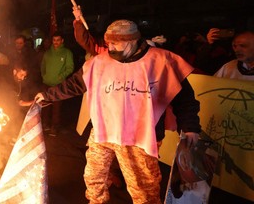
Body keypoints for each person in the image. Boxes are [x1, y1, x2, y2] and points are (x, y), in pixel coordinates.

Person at [35, 19, 202, 203]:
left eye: (115, 43)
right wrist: (47, 96)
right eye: (108, 43)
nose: (110, 47)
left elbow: (185, 100)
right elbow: (74, 84)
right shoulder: (100, 62)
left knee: (143, 187)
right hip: (103, 132)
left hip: (139, 139)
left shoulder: (162, 61)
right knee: (93, 177)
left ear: (132, 41)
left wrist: (190, 128)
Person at [40, 32, 74, 136]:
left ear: (62, 40)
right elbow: (43, 66)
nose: (56, 42)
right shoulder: (48, 53)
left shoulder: (67, 53)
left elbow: (70, 67)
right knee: (45, 106)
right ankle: (45, 125)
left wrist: (61, 76)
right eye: (54, 40)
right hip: (46, 83)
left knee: (56, 107)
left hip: (59, 84)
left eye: (58, 40)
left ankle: (54, 127)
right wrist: (44, 75)